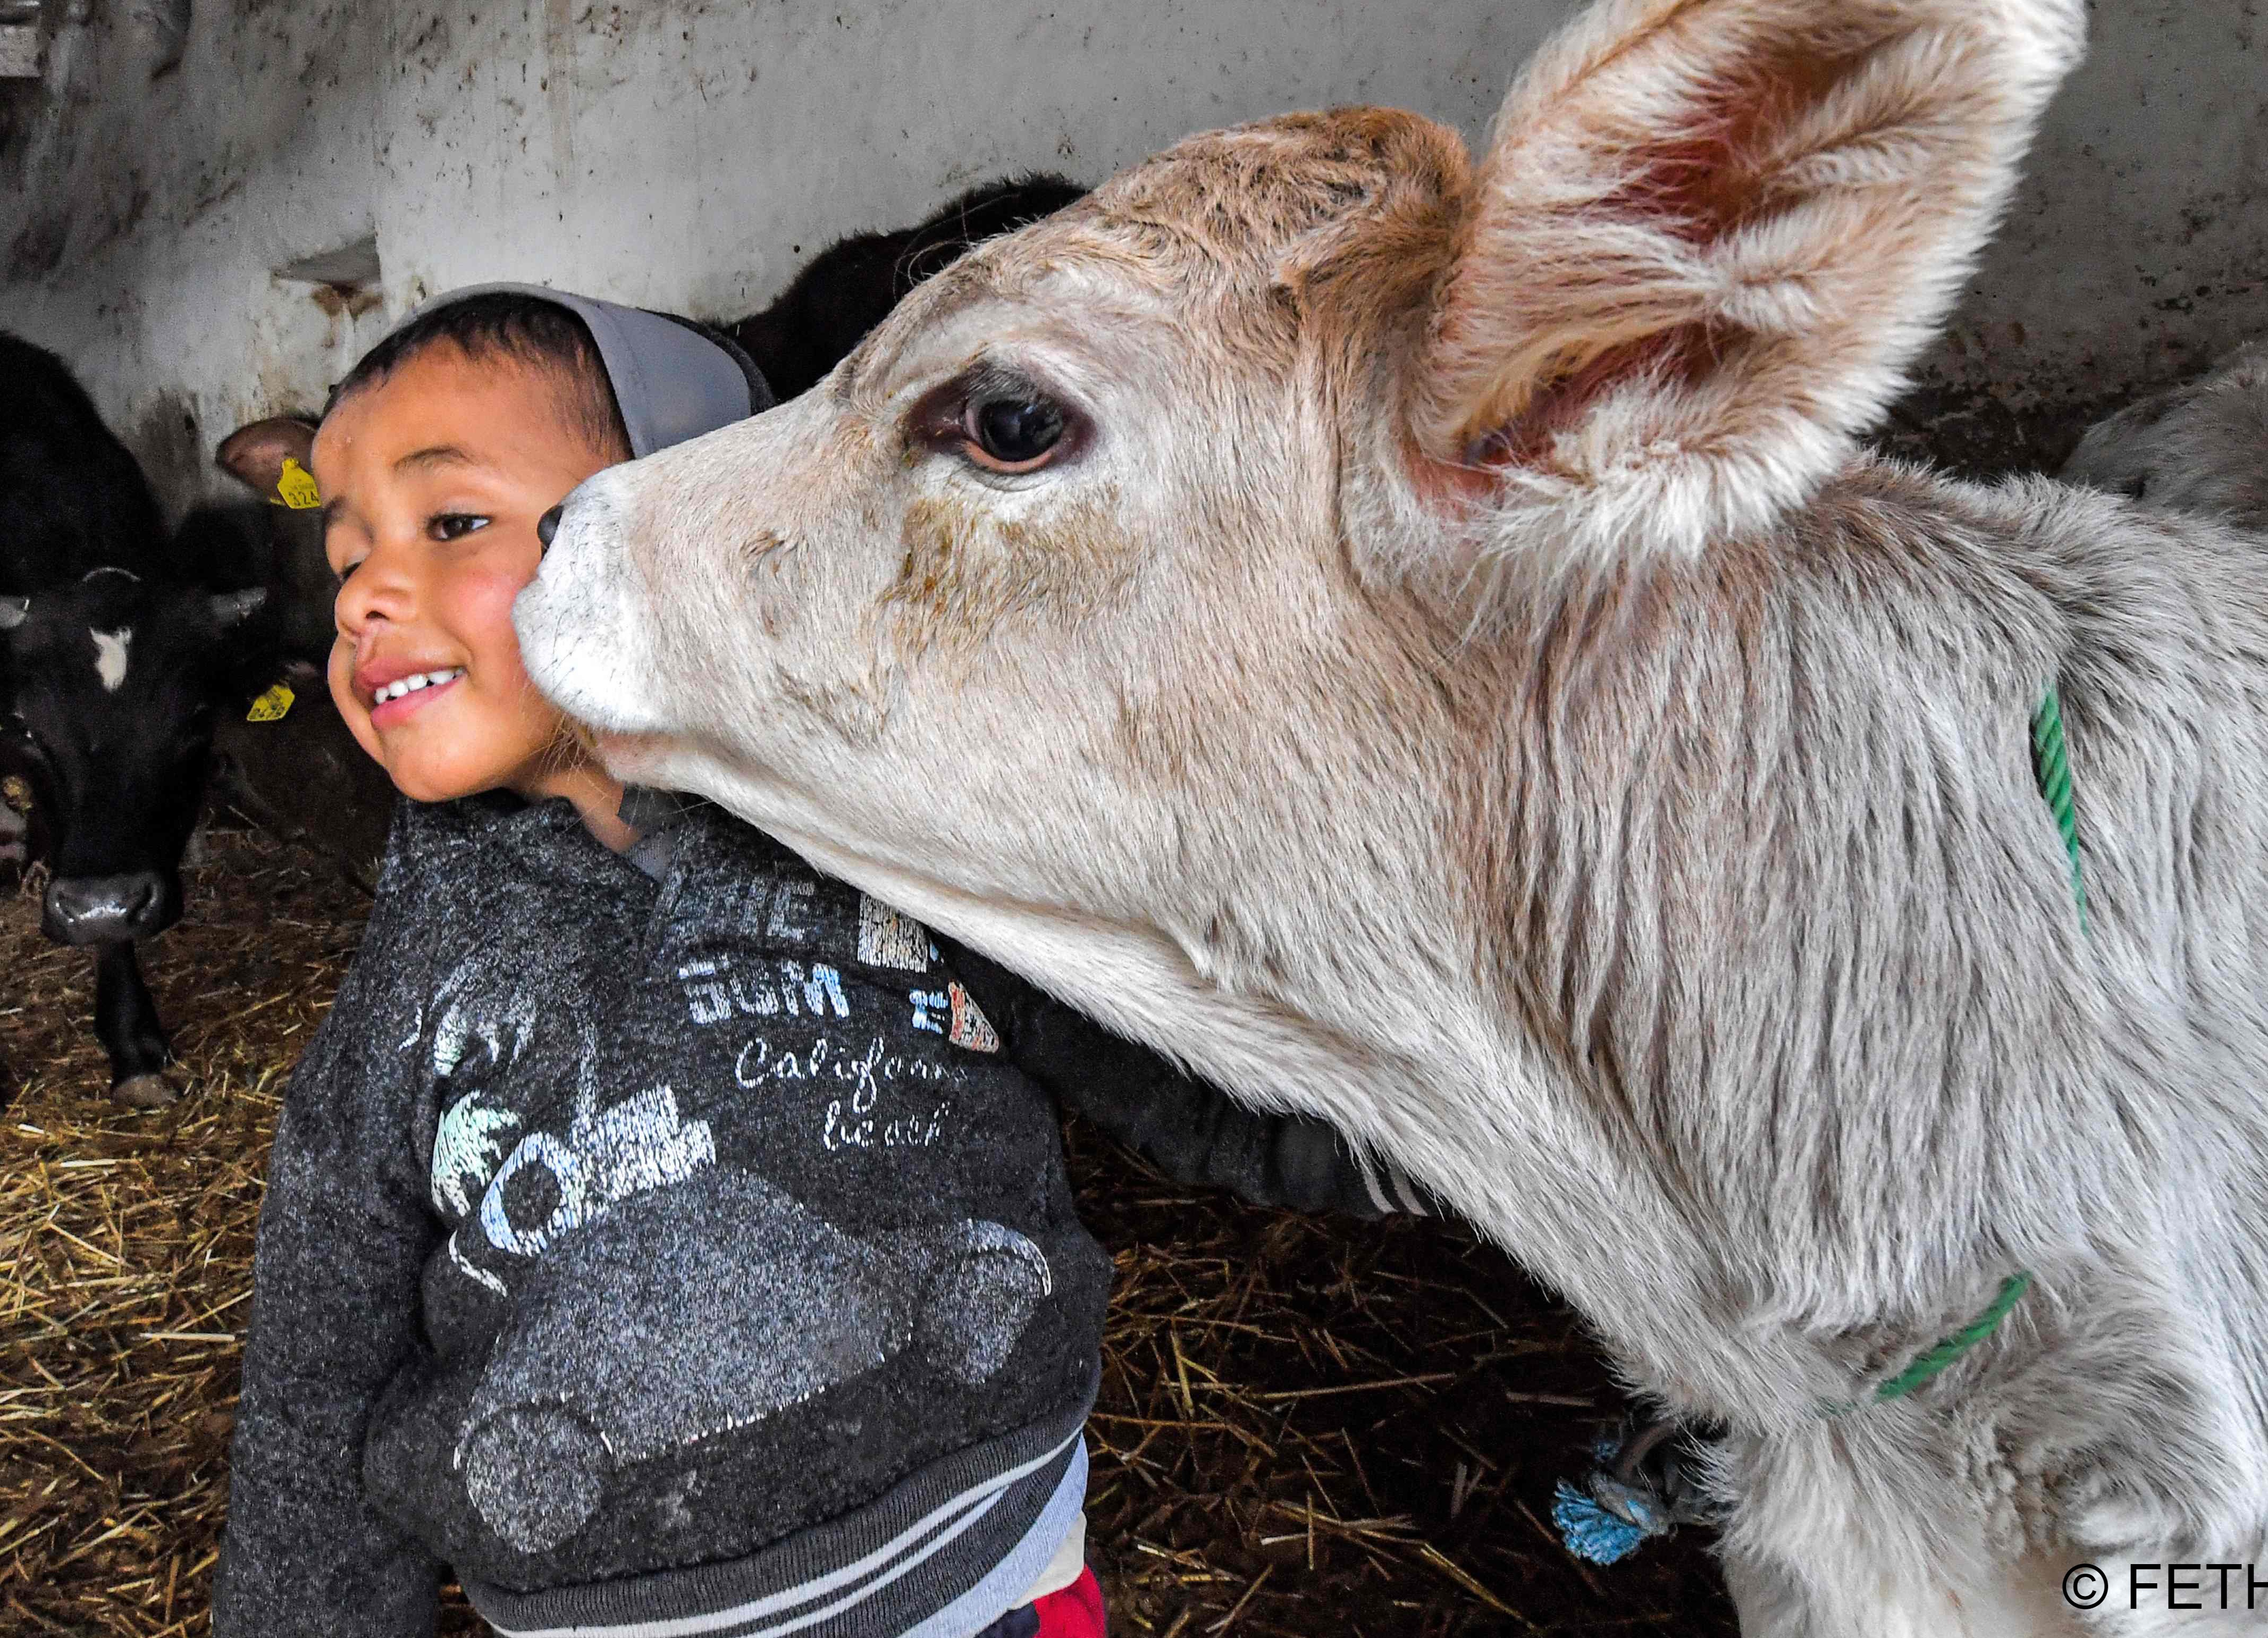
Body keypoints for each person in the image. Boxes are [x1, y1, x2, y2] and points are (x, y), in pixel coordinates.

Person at [214, 284, 1415, 1638]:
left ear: (693, 521)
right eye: (345, 559)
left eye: (451, 524)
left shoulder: (887, 825)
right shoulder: (412, 982)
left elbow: (1142, 1040)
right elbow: (319, 1372)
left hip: (986, 1566)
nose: (367, 594)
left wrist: (1406, 1134)